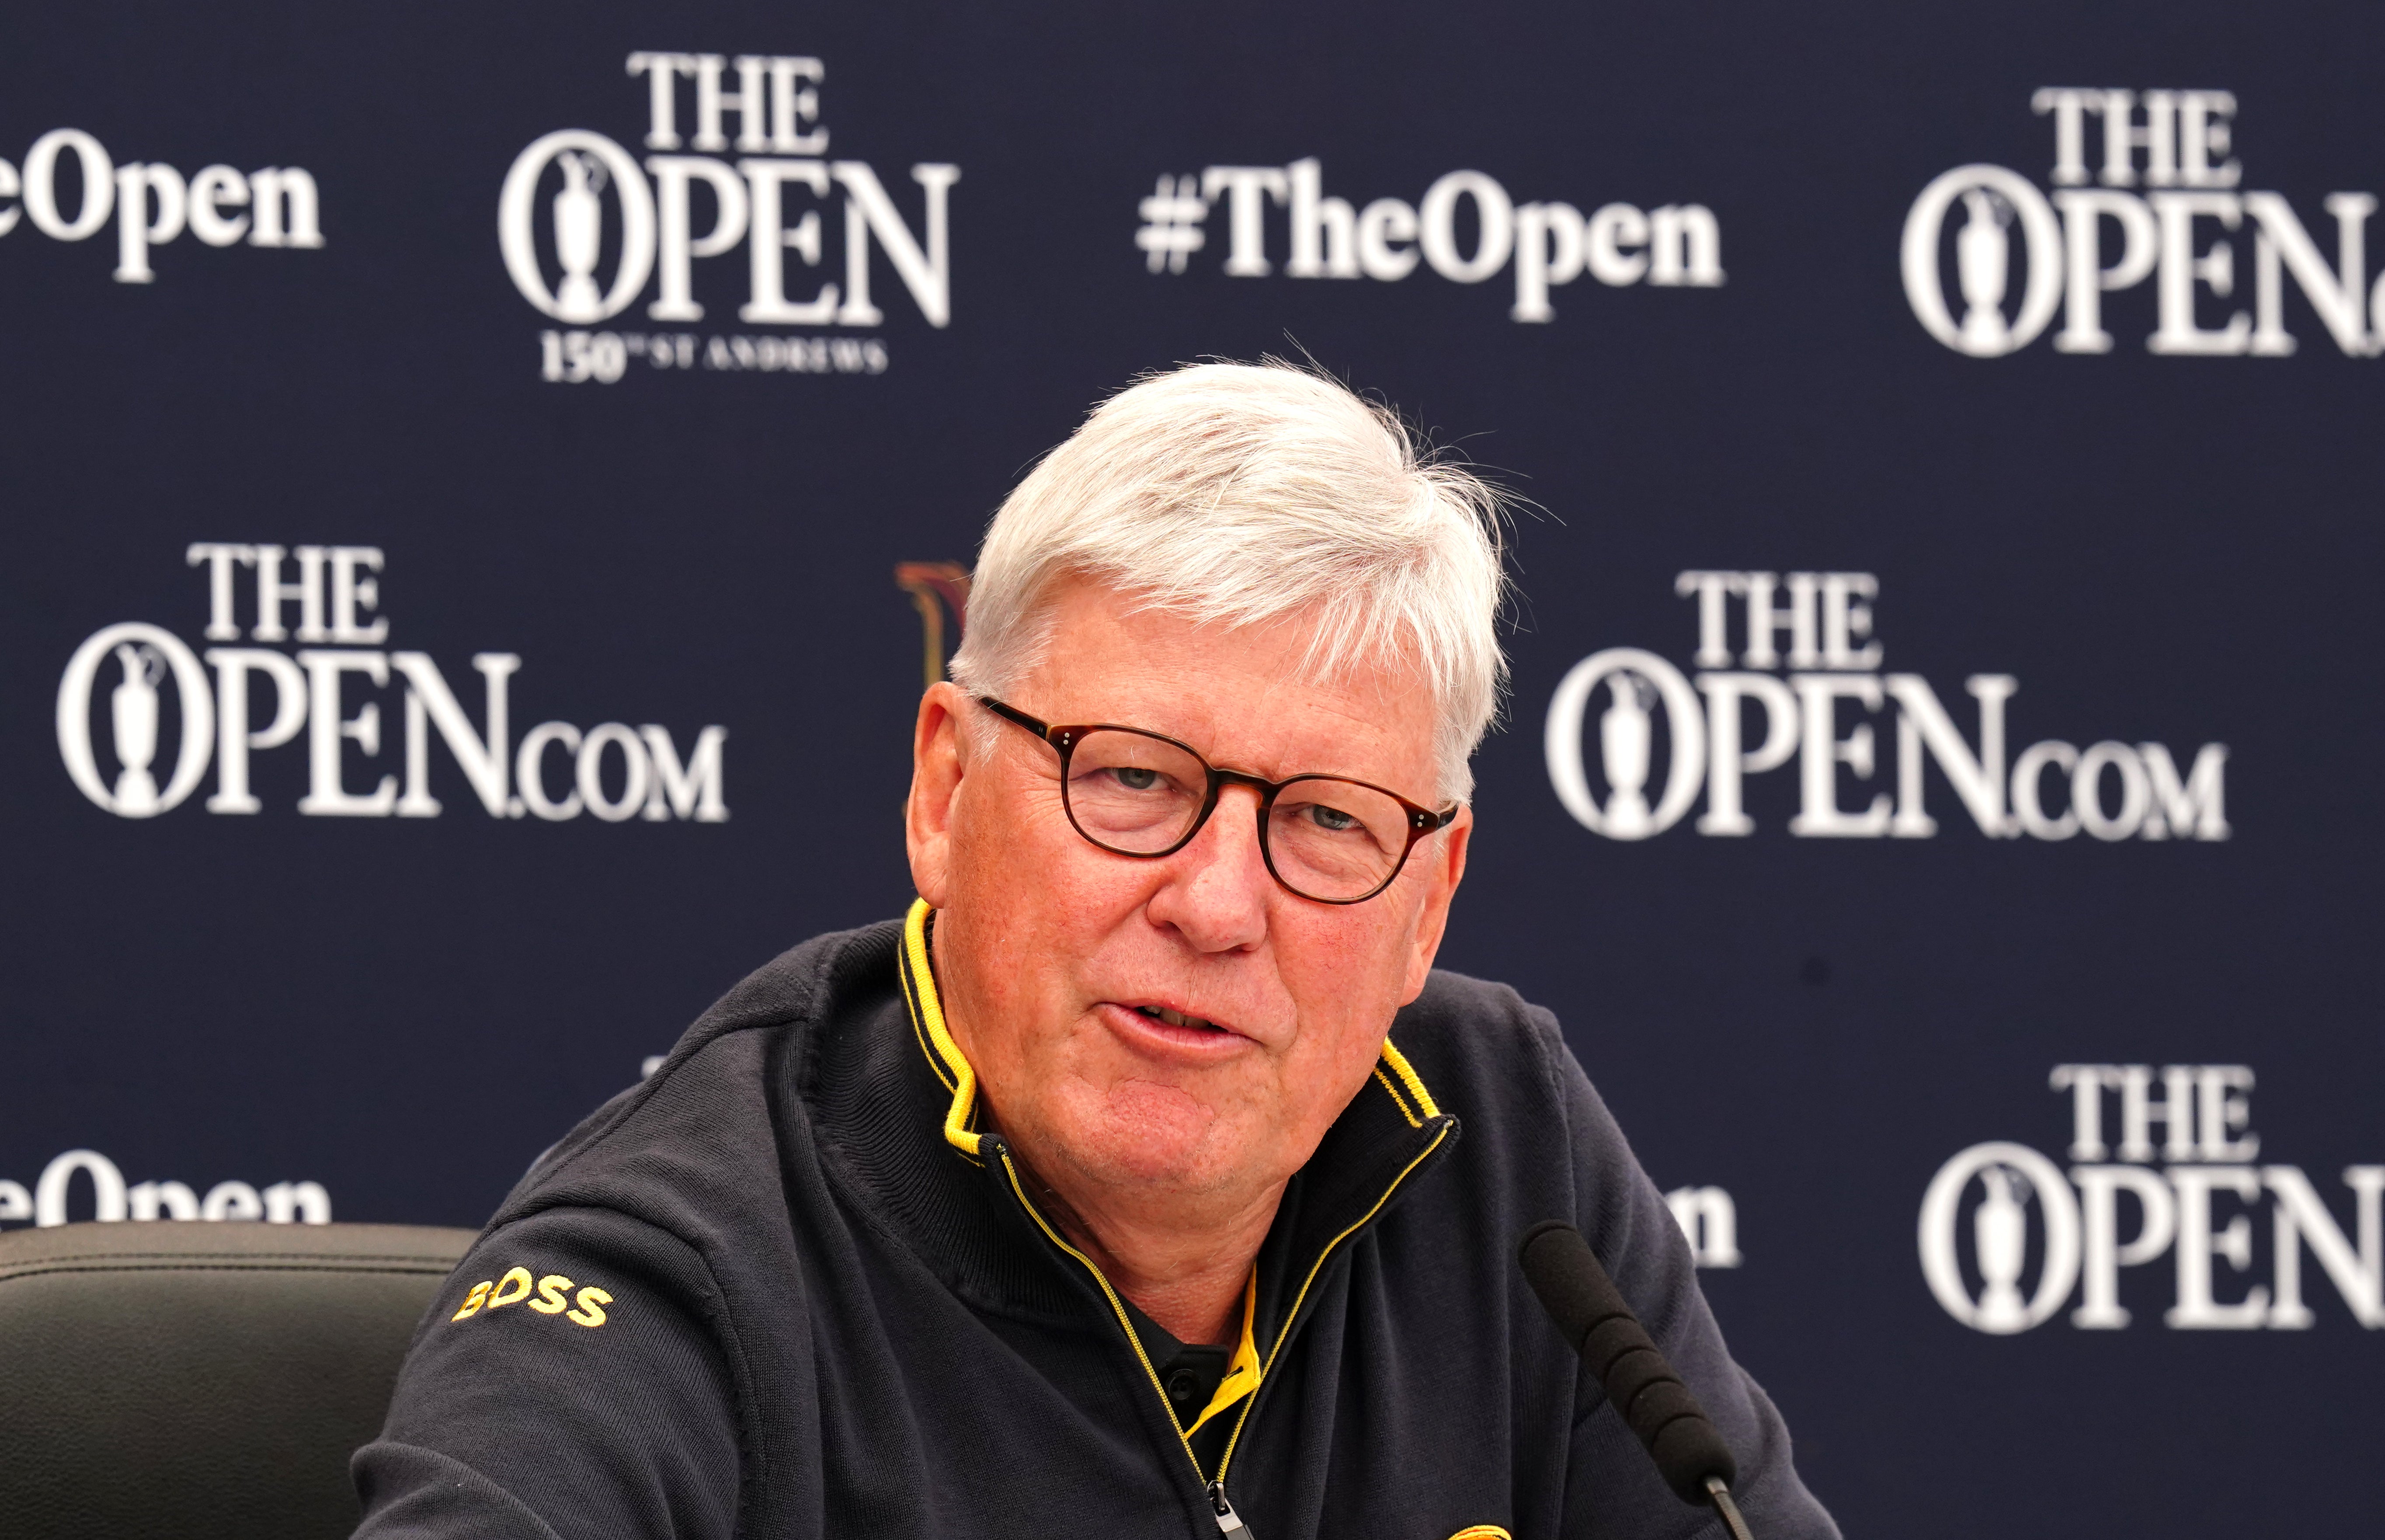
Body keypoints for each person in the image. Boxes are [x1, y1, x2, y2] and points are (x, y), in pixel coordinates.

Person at [352, 362, 1837, 1540]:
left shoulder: (1510, 1157)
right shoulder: (687, 1270)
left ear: (1429, 901)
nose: (1216, 903)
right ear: (944, 790)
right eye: (1132, 777)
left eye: (1324, 820)